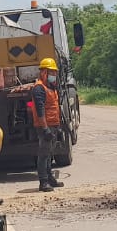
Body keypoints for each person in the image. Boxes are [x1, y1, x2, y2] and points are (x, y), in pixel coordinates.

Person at [31, 58, 66, 192]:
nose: (54, 75)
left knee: (49, 153)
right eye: (52, 72)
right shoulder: (39, 88)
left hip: (53, 124)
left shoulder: (50, 87)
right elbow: (40, 111)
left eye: (55, 73)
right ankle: (43, 181)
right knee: (44, 153)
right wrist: (45, 128)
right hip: (45, 126)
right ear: (44, 72)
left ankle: (50, 178)